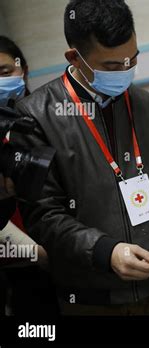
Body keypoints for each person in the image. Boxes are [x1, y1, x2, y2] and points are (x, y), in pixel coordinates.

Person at [11, 0, 149, 315]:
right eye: (113, 66)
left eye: (133, 59)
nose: (126, 71)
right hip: (92, 298)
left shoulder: (146, 106)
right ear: (75, 57)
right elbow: (44, 216)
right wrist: (107, 252)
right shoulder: (35, 117)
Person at [0, 35, 58, 316]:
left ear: (23, 69)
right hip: (19, 261)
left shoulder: (52, 116)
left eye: (5, 72)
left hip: (69, 246)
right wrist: (35, 253)